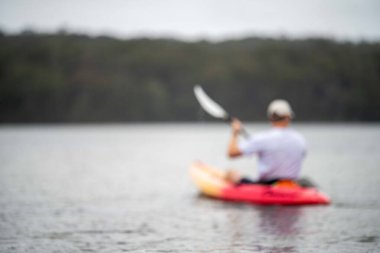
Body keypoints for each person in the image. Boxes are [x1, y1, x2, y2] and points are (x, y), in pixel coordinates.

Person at [226, 99, 307, 185]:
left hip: (268, 186)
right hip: (293, 185)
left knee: (231, 174)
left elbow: (231, 153)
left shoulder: (262, 139)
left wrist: (235, 133)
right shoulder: (300, 139)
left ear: (271, 117)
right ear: (289, 117)